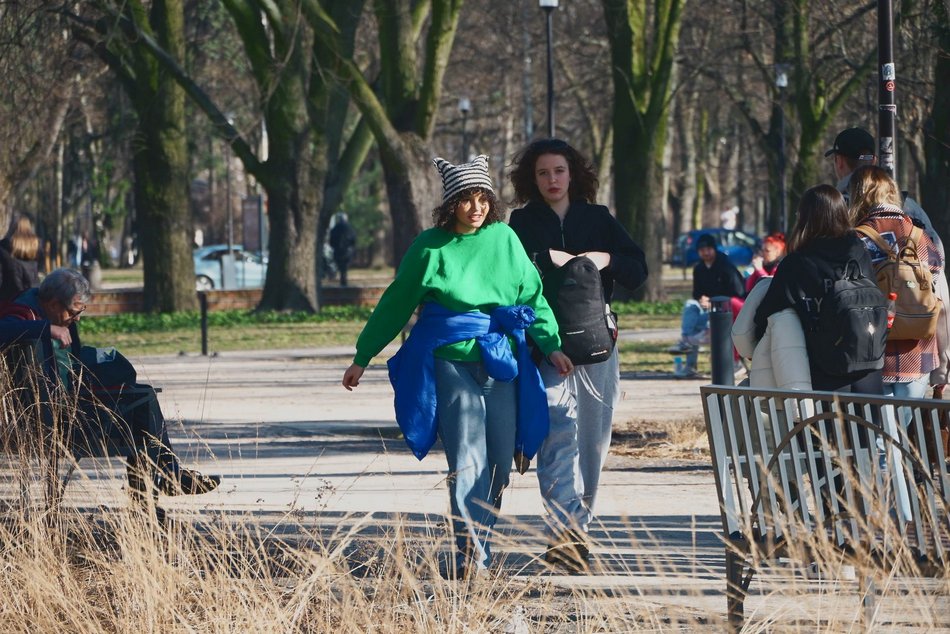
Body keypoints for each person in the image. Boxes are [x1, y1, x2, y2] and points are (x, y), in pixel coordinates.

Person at [341, 155, 573, 578]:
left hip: (498, 359)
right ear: (451, 204)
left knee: (499, 460)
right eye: (466, 199)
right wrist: (364, 355)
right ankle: (472, 557)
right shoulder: (430, 246)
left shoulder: (504, 238)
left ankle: (480, 542)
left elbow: (532, 296)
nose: (476, 207)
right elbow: (397, 302)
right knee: (467, 457)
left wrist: (551, 344)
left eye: (483, 198)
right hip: (450, 361)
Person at [507, 138, 648, 572]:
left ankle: (576, 532)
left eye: (559, 171)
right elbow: (512, 278)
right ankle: (563, 532)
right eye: (543, 173)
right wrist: (550, 259)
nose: (552, 180)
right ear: (532, 179)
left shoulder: (598, 218)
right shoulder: (522, 222)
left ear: (573, 174)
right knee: (556, 434)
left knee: (592, 443)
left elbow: (637, 270)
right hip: (546, 348)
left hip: (597, 346)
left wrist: (605, 258)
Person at [0, 269, 220, 517]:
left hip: (62, 408)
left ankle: (167, 477)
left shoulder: (48, 313)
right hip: (55, 421)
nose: (77, 319)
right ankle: (152, 499)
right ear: (52, 303)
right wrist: (46, 328)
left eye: (81, 312)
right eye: (74, 312)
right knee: (142, 406)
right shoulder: (25, 313)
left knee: (138, 394)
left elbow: (71, 360)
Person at [754, 185, 884, 394]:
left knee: (828, 418)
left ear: (805, 218)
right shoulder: (859, 252)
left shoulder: (797, 262)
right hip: (868, 363)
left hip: (825, 369)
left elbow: (767, 314)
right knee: (869, 417)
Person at [849, 166, 944, 402]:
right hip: (918, 350)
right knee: (904, 422)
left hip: (873, 351)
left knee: (879, 424)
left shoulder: (856, 237)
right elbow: (935, 280)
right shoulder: (919, 234)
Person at [667, 232, 745, 377]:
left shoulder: (726, 268)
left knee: (699, 325)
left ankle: (688, 349)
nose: (706, 253)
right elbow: (696, 294)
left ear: (714, 249)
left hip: (725, 312)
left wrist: (714, 302)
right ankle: (686, 345)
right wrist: (702, 300)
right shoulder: (699, 269)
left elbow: (738, 294)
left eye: (709, 249)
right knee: (690, 306)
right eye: (702, 250)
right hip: (705, 309)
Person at [1, 214, 44, 285]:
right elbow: (41, 267)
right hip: (32, 286)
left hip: (10, 288)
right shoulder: (36, 244)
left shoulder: (3, 245)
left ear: (11, 227)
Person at [329, 213, 357, 286]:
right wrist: (352, 246)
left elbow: (331, 240)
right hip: (347, 250)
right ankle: (343, 278)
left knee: (340, 265)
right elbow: (353, 239)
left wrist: (334, 246)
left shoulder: (335, 228)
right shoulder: (350, 228)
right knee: (344, 266)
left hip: (338, 250)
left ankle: (341, 278)